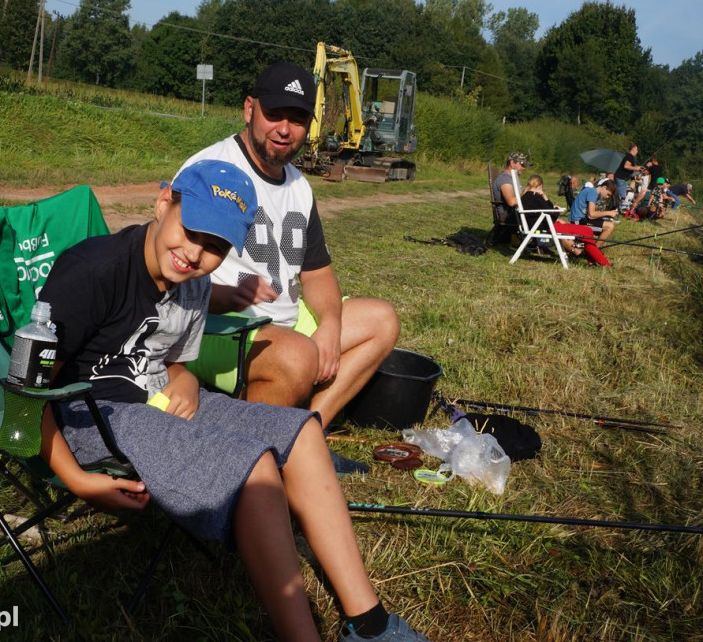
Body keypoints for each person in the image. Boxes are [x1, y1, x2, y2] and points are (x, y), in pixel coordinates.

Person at [37, 159, 431, 642]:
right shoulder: (92, 270)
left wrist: (181, 377)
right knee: (257, 468)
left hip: (159, 397)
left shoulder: (193, 281)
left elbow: (167, 356)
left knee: (304, 431)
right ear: (164, 202)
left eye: (217, 246)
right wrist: (76, 479)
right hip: (91, 414)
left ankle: (369, 623)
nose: (195, 253)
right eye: (193, 230)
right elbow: (26, 391)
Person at [178, 62, 400, 443]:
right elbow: (170, 277)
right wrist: (226, 297)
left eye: (296, 119)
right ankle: (248, 446)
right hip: (218, 329)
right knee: (298, 355)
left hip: (284, 323)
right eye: (274, 114)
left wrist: (330, 324)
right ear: (250, 109)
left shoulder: (299, 186)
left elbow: (318, 273)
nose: (284, 129)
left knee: (382, 320)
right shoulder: (212, 170)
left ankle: (304, 434)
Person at [522, 175, 611, 266]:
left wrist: (545, 198)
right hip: (548, 226)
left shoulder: (527, 196)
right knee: (587, 231)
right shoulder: (534, 197)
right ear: (540, 185)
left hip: (546, 224)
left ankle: (594, 260)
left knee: (586, 233)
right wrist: (556, 211)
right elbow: (550, 211)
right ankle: (600, 261)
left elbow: (548, 209)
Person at [490, 151, 529, 244]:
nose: (523, 168)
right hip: (509, 215)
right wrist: (528, 189)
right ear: (512, 163)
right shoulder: (505, 180)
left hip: (516, 212)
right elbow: (511, 202)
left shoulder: (513, 179)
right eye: (522, 164)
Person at [569, 177, 619, 244]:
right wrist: (609, 213)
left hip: (581, 219)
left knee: (607, 222)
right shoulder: (592, 192)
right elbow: (591, 215)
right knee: (609, 226)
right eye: (608, 194)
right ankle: (595, 249)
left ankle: (591, 246)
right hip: (578, 222)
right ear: (604, 187)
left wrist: (607, 215)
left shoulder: (592, 191)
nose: (608, 197)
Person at [613, 145, 643, 209]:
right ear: (633, 149)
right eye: (637, 150)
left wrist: (638, 168)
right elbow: (626, 166)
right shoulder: (630, 156)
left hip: (622, 178)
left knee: (621, 194)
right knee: (622, 195)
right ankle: (620, 209)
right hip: (620, 177)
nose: (637, 152)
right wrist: (636, 168)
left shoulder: (629, 156)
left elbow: (630, 168)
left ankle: (618, 207)